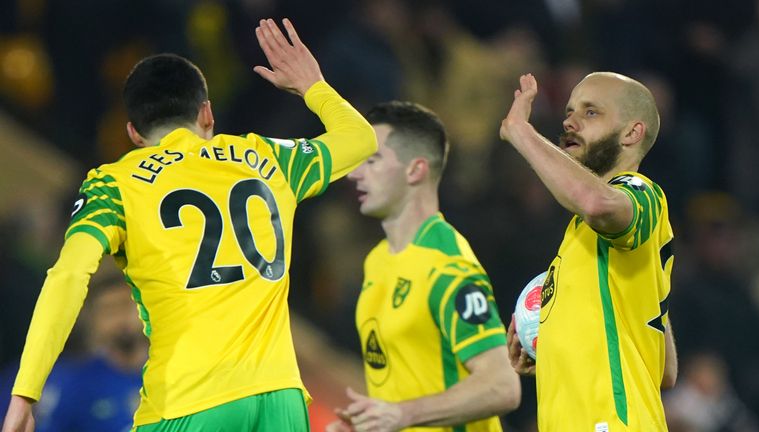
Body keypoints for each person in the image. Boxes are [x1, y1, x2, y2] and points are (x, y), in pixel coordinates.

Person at [2, 18, 376, 432]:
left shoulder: (116, 184)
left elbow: (68, 276)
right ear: (207, 114)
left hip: (189, 400)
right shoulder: (267, 158)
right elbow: (361, 139)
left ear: (134, 133)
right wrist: (313, 86)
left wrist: (25, 393)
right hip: (281, 400)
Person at [328, 101, 521, 432]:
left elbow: (502, 386)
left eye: (371, 160)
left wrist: (402, 414)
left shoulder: (448, 266)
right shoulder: (377, 259)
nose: (353, 174)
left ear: (415, 170)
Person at [502, 72, 678, 431]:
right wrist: (554, 351)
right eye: (569, 111)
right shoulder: (580, 237)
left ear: (632, 133)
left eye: (591, 112)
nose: (570, 121)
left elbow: (597, 203)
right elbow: (664, 370)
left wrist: (521, 131)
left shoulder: (640, 193)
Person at [34, 276, 146, 432]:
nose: (120, 320)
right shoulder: (74, 385)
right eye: (109, 312)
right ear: (95, 321)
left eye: (126, 307)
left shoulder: (172, 371)